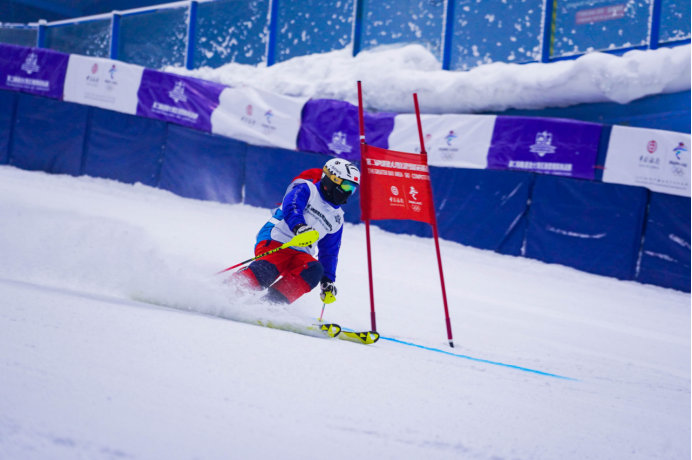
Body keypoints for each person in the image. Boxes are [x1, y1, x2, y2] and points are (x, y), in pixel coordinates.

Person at [232, 158, 360, 305]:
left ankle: (270, 305)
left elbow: (330, 251)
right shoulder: (306, 189)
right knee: (271, 267)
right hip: (278, 239)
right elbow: (292, 207)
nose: (348, 193)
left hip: (301, 253)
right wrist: (299, 227)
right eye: (346, 186)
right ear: (332, 179)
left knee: (313, 270)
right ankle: (229, 289)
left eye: (353, 189)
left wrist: (327, 280)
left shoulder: (337, 217)